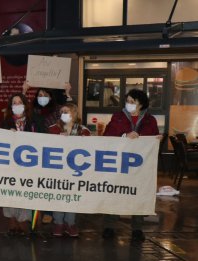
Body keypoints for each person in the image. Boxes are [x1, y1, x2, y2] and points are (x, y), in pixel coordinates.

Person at [102, 89, 159, 242]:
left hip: (140, 166)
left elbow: (153, 138)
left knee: (138, 194)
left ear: (141, 104)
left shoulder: (150, 120)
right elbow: (107, 136)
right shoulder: (118, 117)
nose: (129, 104)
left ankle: (137, 228)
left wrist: (157, 140)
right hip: (119, 163)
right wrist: (124, 136)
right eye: (127, 101)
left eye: (132, 102)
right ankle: (109, 225)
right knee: (115, 192)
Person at [1, 93, 46, 236]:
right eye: (14, 103)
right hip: (11, 166)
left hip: (30, 166)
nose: (17, 105)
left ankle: (24, 223)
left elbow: (45, 137)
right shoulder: (6, 122)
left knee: (26, 193)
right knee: (11, 192)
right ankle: (12, 223)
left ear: (25, 105)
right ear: (10, 106)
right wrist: (7, 134)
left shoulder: (35, 120)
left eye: (20, 102)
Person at [47, 103, 90, 237]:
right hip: (58, 170)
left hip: (75, 171)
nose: (64, 113)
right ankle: (58, 222)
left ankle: (70, 223)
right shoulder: (53, 129)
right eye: (62, 111)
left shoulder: (83, 131)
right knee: (58, 195)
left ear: (74, 113)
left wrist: (84, 141)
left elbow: (91, 149)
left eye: (67, 111)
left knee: (71, 196)